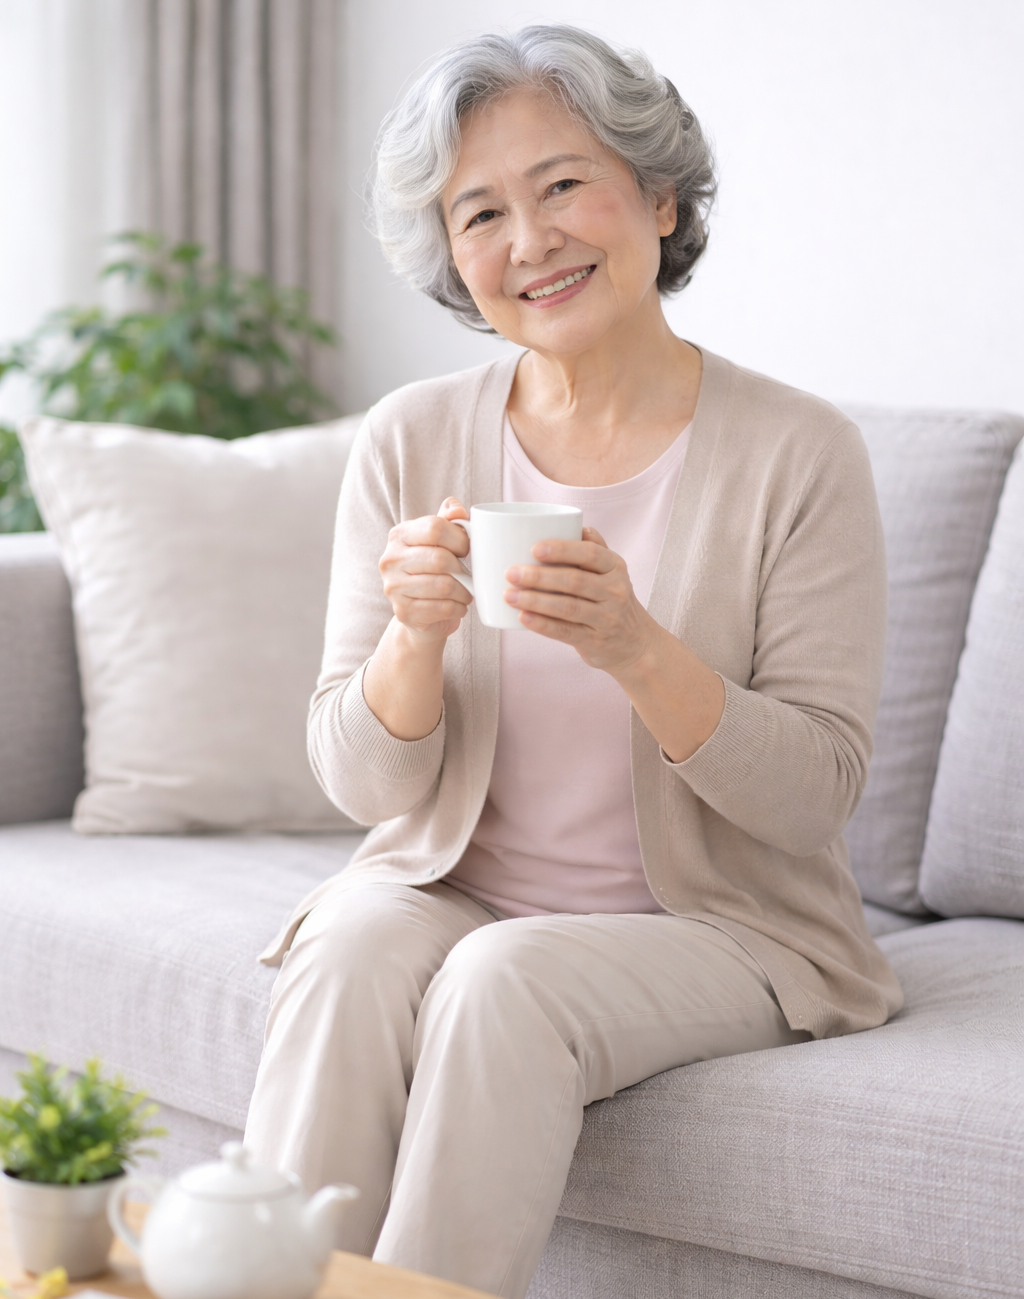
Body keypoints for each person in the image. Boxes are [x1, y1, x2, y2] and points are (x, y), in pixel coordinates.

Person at [245, 24, 902, 1299]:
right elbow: (361, 785)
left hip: (721, 925)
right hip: (456, 882)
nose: (527, 241)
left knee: (506, 976)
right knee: (351, 940)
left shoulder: (800, 452)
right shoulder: (410, 438)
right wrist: (413, 641)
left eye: (560, 185)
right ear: (452, 261)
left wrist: (636, 648)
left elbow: (815, 791)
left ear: (657, 196)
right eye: (478, 213)